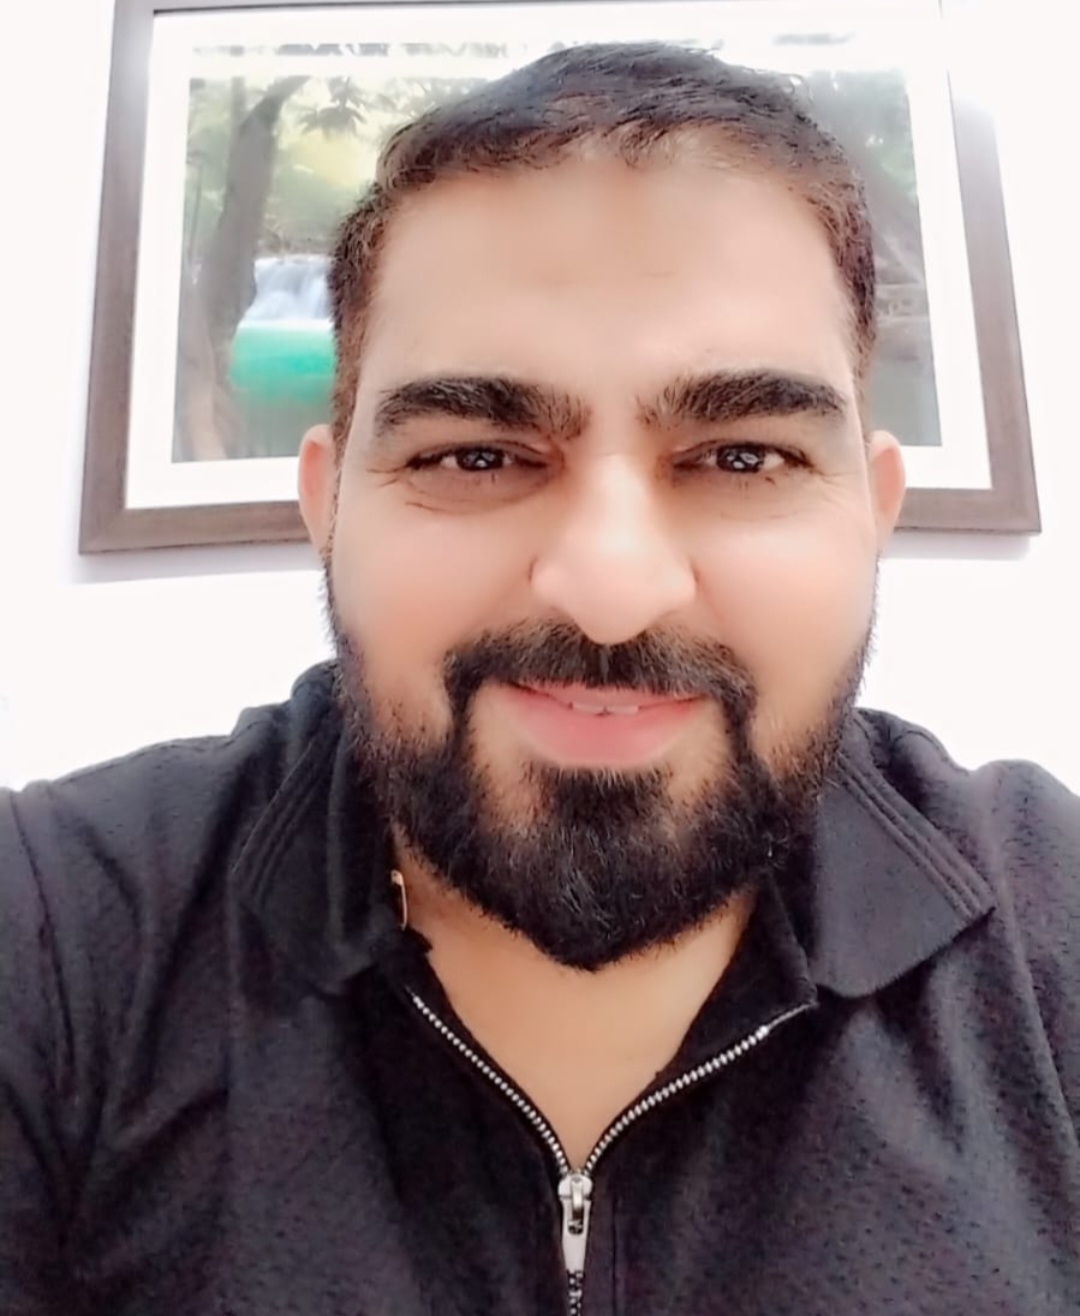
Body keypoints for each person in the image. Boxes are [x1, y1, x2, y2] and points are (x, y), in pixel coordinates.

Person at [2, 41, 1078, 1316]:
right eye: (474, 455)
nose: (611, 587)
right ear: (326, 505)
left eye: (742, 456)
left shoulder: (1053, 937)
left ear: (873, 512)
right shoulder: (56, 934)